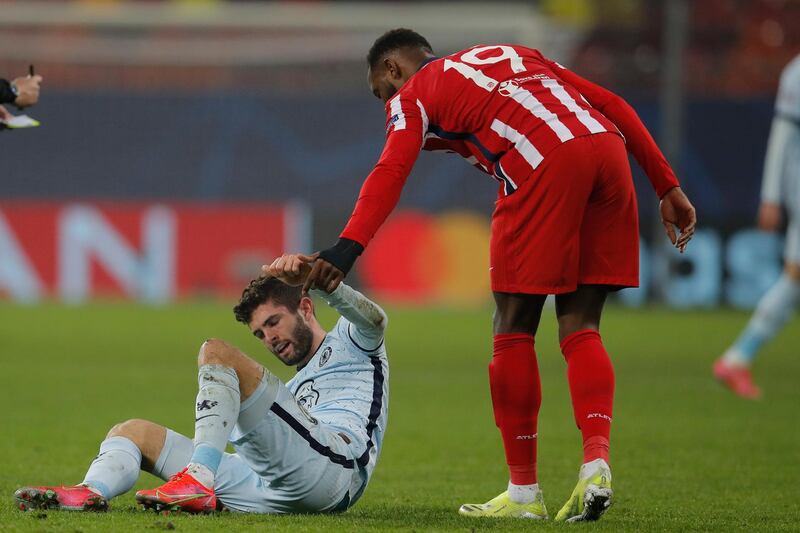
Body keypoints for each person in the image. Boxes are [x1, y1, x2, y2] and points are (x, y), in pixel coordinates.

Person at [302, 29, 696, 522]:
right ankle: (596, 462)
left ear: (392, 71)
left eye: (382, 94)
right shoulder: (512, 53)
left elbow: (390, 169)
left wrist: (346, 248)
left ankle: (524, 493)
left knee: (511, 330)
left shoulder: (414, 94)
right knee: (581, 328)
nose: (387, 106)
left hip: (541, 163)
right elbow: (612, 103)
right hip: (606, 152)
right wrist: (666, 185)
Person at [14, 254, 389, 515]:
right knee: (132, 432)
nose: (269, 338)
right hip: (273, 488)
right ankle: (91, 491)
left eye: (274, 322)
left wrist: (325, 284)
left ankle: (197, 479)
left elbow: (375, 320)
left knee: (217, 353)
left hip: (336, 471)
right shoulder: (297, 386)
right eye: (259, 333)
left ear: (305, 309)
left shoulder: (353, 341)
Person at [714, 54, 800, 399]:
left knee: (795, 279)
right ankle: (737, 357)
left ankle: (737, 358)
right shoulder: (797, 72)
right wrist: (771, 196)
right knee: (795, 276)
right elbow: (782, 133)